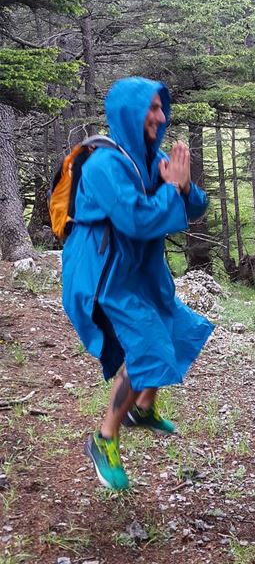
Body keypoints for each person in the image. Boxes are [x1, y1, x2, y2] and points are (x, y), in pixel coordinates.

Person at [62, 76, 214, 490]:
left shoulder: (150, 156)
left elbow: (194, 204)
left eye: (162, 108)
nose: (161, 117)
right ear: (129, 112)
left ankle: (141, 409)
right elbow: (138, 220)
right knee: (144, 345)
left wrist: (182, 185)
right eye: (152, 108)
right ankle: (104, 438)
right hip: (104, 271)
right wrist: (169, 190)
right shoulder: (103, 166)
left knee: (173, 326)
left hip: (140, 268)